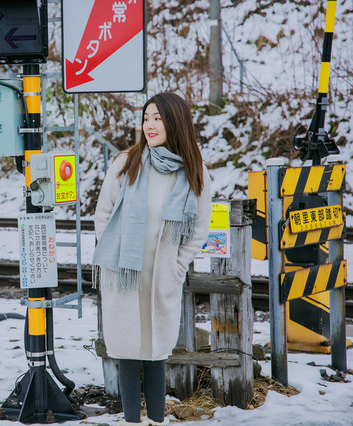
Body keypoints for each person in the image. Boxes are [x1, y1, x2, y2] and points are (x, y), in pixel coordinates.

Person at [92, 92, 212, 425]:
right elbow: (102, 215)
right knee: (128, 350)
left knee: (156, 350)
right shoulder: (126, 162)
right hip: (125, 272)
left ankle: (157, 420)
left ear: (175, 122)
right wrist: (117, 256)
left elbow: (199, 229)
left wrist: (177, 266)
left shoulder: (193, 171)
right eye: (146, 118)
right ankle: (132, 420)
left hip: (161, 273)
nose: (150, 125)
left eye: (157, 118)